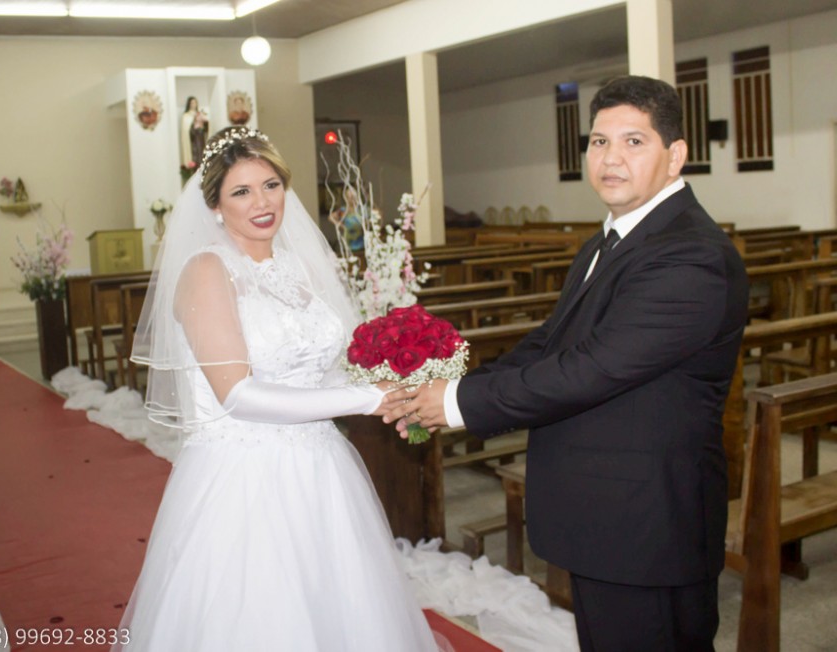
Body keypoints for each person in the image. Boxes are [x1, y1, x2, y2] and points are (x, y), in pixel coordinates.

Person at [384, 76, 749, 651]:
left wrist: (454, 405)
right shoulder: (612, 239)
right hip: (610, 515)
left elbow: (591, 368)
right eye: (599, 142)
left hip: (647, 523)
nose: (610, 158)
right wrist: (455, 385)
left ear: (676, 155)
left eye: (633, 142)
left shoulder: (690, 254)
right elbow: (552, 343)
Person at [118, 126, 442, 652]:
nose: (262, 202)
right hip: (246, 476)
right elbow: (238, 395)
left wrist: (395, 390)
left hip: (322, 467)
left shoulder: (300, 266)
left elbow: (323, 372)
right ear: (215, 206)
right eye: (241, 191)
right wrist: (369, 398)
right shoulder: (206, 271)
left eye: (271, 185)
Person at [179, 96, 209, 168]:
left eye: (195, 102)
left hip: (200, 138)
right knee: (194, 155)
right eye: (192, 103)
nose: (194, 104)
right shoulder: (186, 116)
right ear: (189, 104)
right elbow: (186, 130)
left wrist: (204, 125)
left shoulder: (200, 114)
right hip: (192, 140)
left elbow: (206, 127)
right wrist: (194, 125)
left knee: (201, 153)